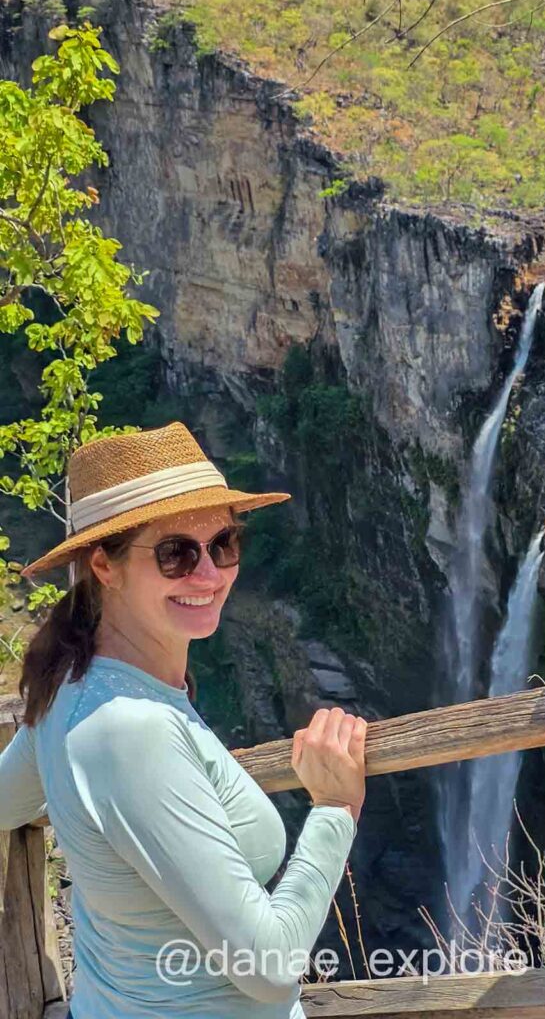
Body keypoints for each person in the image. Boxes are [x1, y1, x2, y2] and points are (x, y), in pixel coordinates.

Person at [0, 421, 367, 1018]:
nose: (210, 575)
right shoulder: (128, 730)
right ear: (105, 566)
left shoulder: (70, 684)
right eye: (176, 553)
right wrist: (333, 810)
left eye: (223, 544)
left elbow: (4, 803)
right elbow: (269, 970)